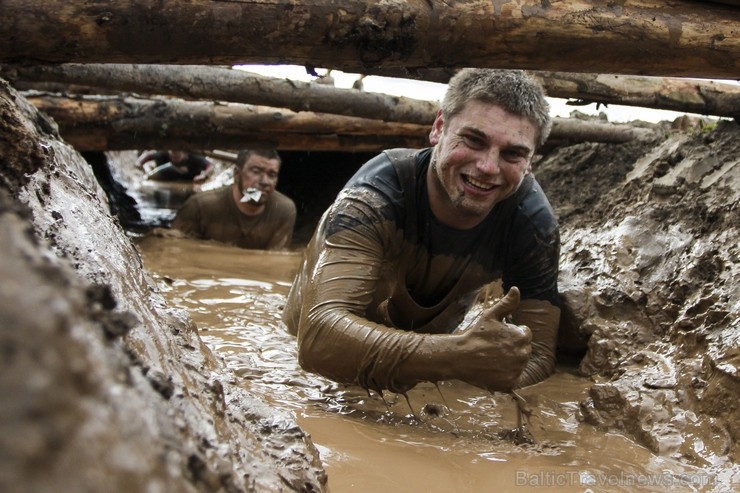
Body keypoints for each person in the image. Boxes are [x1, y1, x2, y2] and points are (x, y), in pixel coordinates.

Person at [282, 69, 560, 395]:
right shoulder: (374, 196)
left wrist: (463, 384)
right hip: (306, 362)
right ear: (439, 127)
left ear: (530, 161)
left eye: (513, 153)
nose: (488, 167)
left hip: (427, 357)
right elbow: (319, 340)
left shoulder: (532, 222)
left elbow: (538, 355)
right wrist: (456, 358)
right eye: (473, 140)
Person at [171, 149, 296, 250]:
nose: (265, 181)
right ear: (237, 174)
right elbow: (173, 252)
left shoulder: (284, 210)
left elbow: (276, 262)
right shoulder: (200, 206)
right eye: (256, 171)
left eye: (272, 175)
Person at [137, 149, 214, 182]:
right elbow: (149, 155)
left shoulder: (194, 157)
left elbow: (210, 165)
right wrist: (140, 163)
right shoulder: (165, 153)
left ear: (184, 154)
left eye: (177, 157)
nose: (174, 158)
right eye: (172, 156)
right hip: (170, 174)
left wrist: (204, 175)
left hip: (190, 177)